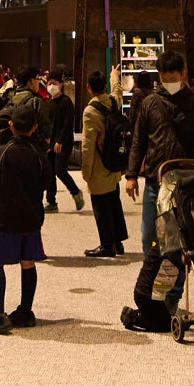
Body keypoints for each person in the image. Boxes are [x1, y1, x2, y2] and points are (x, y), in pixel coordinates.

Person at [122, 52, 194, 257]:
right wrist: (131, 175)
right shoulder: (150, 103)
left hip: (185, 180)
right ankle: (153, 278)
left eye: (172, 78)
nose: (168, 83)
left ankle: (173, 288)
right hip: (154, 179)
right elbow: (138, 141)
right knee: (149, 236)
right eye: (164, 79)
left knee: (180, 238)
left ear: (182, 74)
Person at [0, 102, 49, 334]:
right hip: (31, 219)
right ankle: (25, 311)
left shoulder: (3, 152)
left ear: (11, 125)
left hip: (4, 218)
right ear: (34, 127)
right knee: (28, 262)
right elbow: (49, 183)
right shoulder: (39, 155)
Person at [80, 85, 128, 257]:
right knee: (114, 202)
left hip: (100, 165)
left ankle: (107, 245)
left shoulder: (90, 111)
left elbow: (87, 145)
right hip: (114, 162)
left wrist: (86, 171)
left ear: (89, 88)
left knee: (101, 206)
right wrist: (114, 78)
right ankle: (118, 242)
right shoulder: (113, 101)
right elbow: (117, 92)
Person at [43, 75, 83, 213]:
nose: (51, 86)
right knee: (49, 172)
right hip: (51, 143)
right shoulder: (48, 103)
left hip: (64, 142)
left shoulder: (66, 102)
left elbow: (67, 124)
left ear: (60, 84)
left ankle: (76, 192)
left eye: (54, 83)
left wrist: (59, 140)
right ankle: (51, 202)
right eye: (49, 83)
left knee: (60, 170)